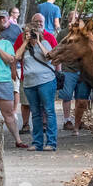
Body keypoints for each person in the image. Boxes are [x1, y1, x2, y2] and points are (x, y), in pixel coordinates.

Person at [19, 19, 58, 151]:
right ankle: (37, 142)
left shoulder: (45, 42)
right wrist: (26, 41)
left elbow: (49, 56)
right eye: (27, 33)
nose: (29, 35)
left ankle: (51, 142)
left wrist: (39, 42)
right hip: (30, 84)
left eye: (32, 32)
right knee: (35, 113)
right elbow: (16, 56)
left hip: (46, 81)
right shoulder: (25, 47)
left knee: (49, 111)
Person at [0, 11, 26, 148]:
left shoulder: (6, 43)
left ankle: (18, 140)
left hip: (3, 80)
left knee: (8, 113)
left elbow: (10, 59)